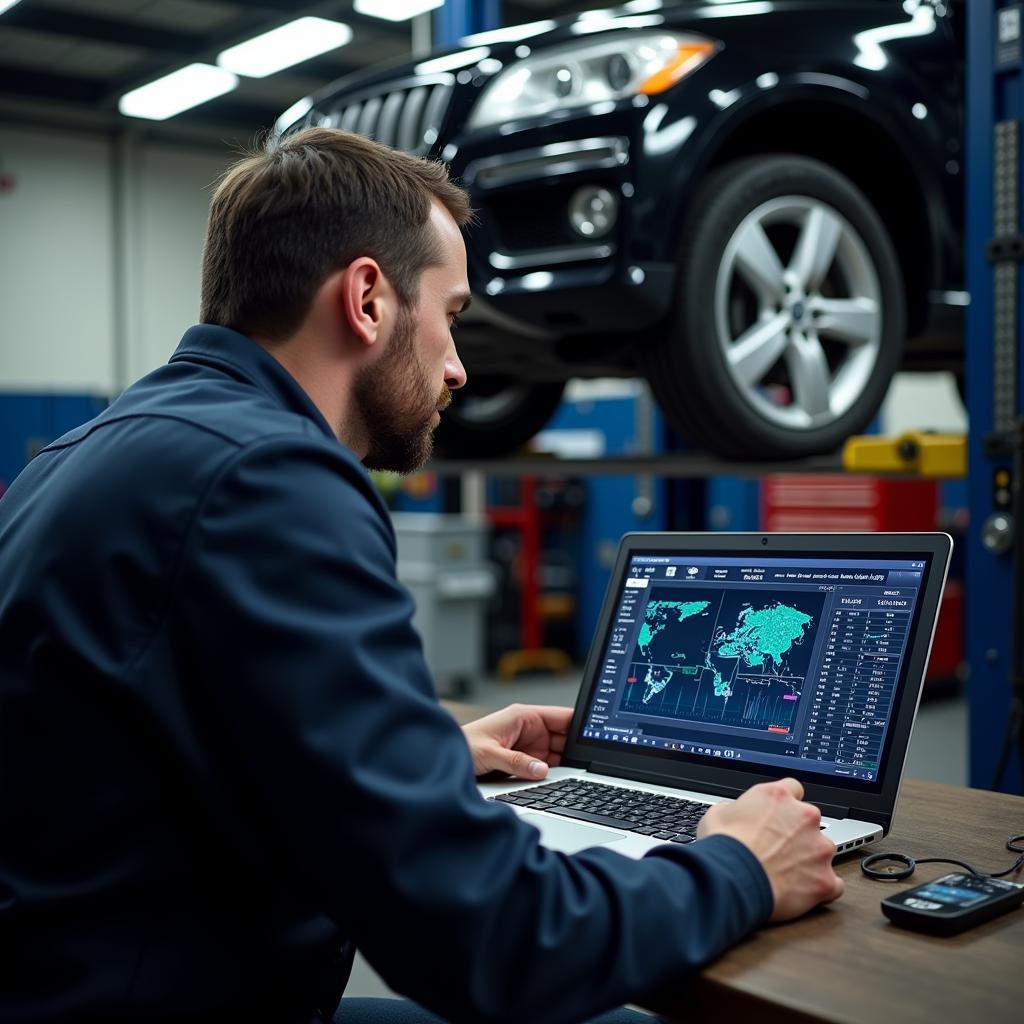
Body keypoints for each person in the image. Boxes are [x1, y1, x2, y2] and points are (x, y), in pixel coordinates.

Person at [0, 127, 843, 1024]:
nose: (458, 367)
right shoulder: (269, 477)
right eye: (453, 316)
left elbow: (170, 748)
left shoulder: (90, 453)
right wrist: (738, 866)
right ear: (367, 298)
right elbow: (491, 939)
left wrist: (422, 756)